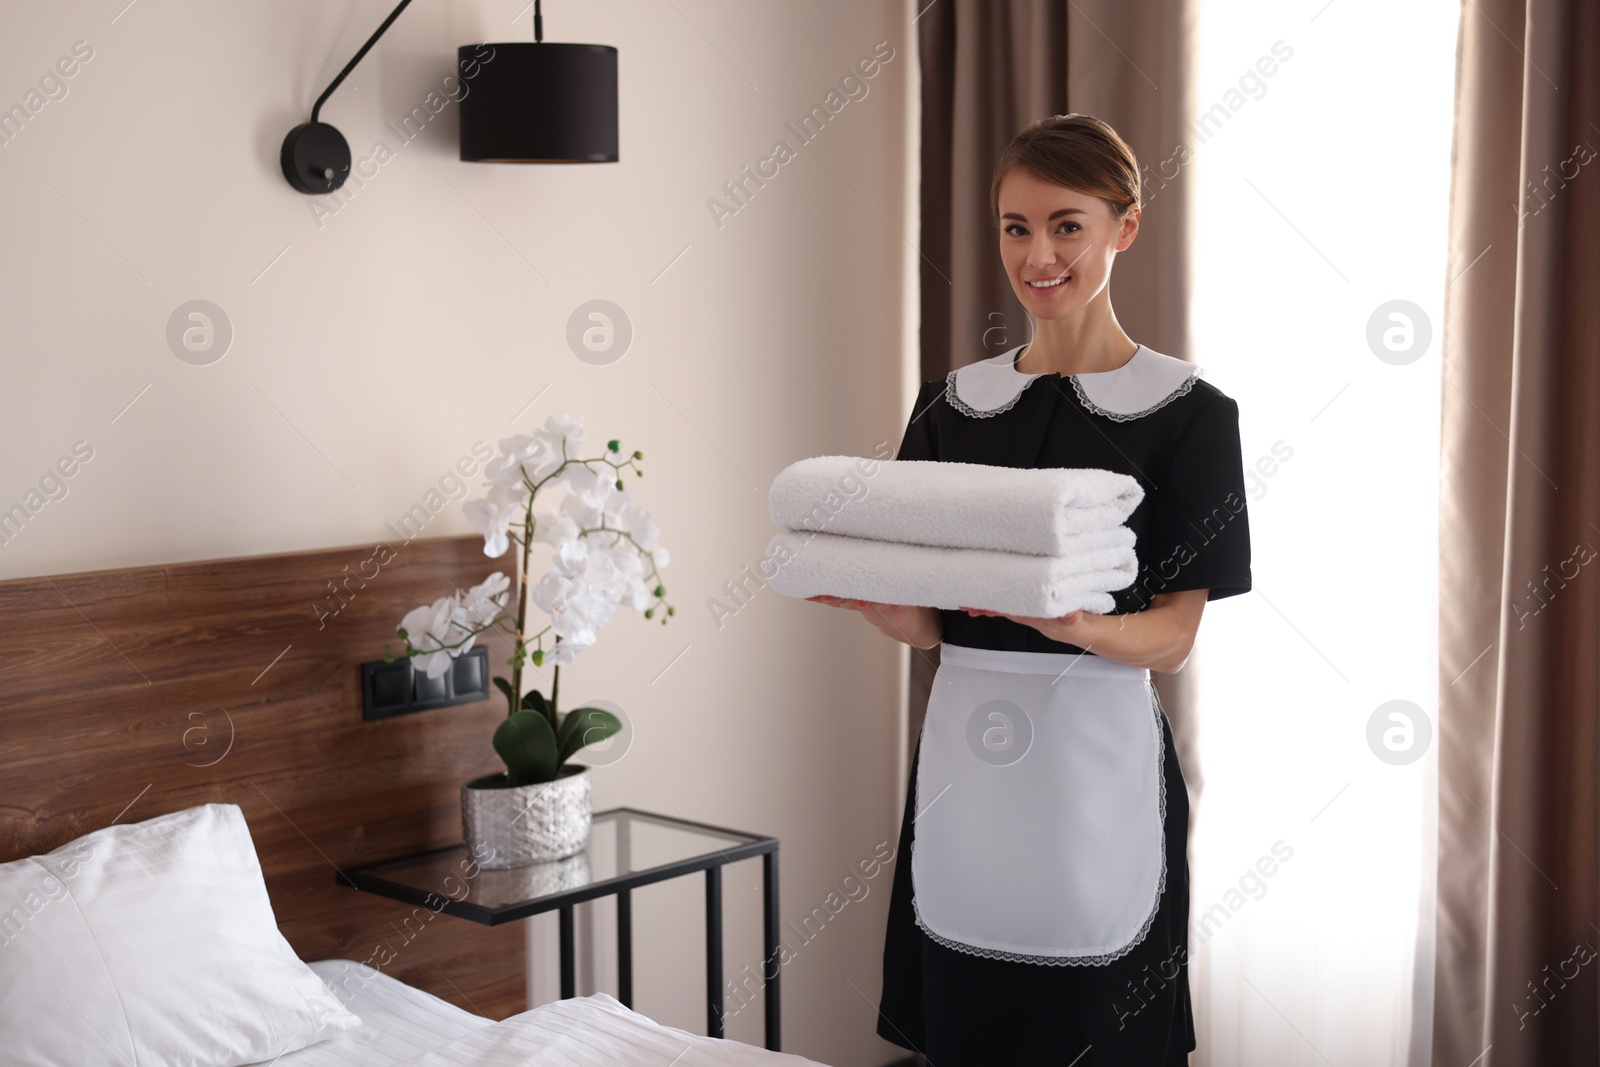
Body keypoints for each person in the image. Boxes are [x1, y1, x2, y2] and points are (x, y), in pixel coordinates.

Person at [808, 114, 1252, 1064]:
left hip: (1098, 769)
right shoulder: (949, 405)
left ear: (1123, 227)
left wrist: (1080, 623)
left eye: (1066, 225)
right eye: (1015, 226)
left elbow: (1174, 636)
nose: (1037, 253)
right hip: (968, 768)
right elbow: (928, 619)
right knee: (970, 1025)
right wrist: (867, 595)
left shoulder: (1190, 416)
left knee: (1099, 1032)